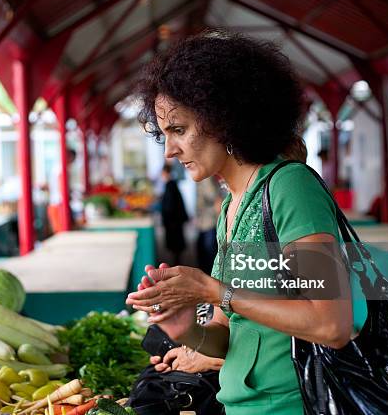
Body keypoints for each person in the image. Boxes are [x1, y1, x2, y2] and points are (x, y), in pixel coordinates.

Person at [127, 32, 352, 415]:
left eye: (178, 130)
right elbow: (227, 338)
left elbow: (330, 324)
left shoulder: (289, 187)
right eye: (164, 135)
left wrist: (215, 291)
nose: (169, 151)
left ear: (224, 119)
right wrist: (185, 326)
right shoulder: (233, 206)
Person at [160, 163, 189, 265]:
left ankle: (177, 264)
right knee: (176, 246)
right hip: (175, 222)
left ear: (165, 173)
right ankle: (177, 262)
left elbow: (170, 206)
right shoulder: (172, 185)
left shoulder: (170, 185)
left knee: (175, 245)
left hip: (173, 223)